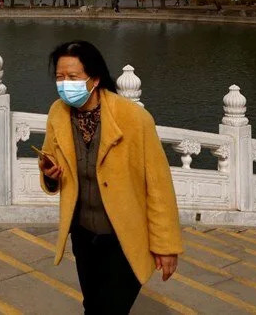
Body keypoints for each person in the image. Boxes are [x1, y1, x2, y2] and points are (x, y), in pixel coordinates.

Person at [38, 40, 182, 314]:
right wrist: (50, 175)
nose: (65, 83)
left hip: (123, 237)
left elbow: (159, 185)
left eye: (72, 76)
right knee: (92, 305)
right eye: (59, 77)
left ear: (95, 77)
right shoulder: (58, 113)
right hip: (83, 234)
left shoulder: (133, 118)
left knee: (110, 309)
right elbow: (49, 161)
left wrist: (167, 246)